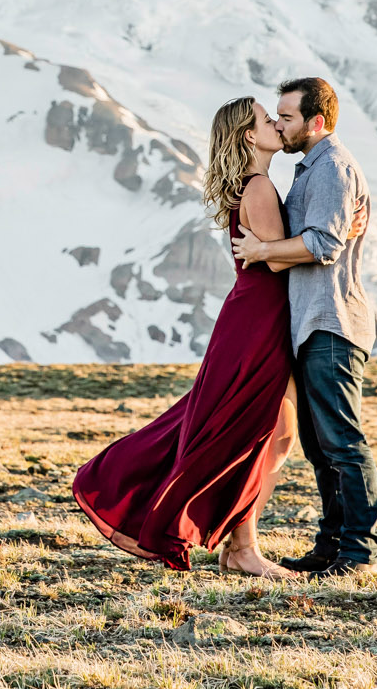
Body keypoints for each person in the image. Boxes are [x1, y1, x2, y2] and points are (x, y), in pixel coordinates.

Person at [71, 97, 303, 576]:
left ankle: (242, 547)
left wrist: (271, 246)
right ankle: (242, 550)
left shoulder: (253, 184)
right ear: (248, 136)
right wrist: (331, 242)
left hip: (254, 318)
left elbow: (268, 253)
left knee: (262, 431)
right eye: (267, 121)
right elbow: (277, 262)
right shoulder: (258, 186)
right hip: (259, 321)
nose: (278, 125)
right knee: (261, 430)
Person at [231, 76, 377, 577]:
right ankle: (333, 546)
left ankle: (359, 554)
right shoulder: (311, 171)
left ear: (317, 122)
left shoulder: (332, 169)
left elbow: (323, 245)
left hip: (332, 322)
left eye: (288, 117)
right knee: (320, 447)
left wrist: (262, 251)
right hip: (310, 323)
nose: (279, 124)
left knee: (341, 440)